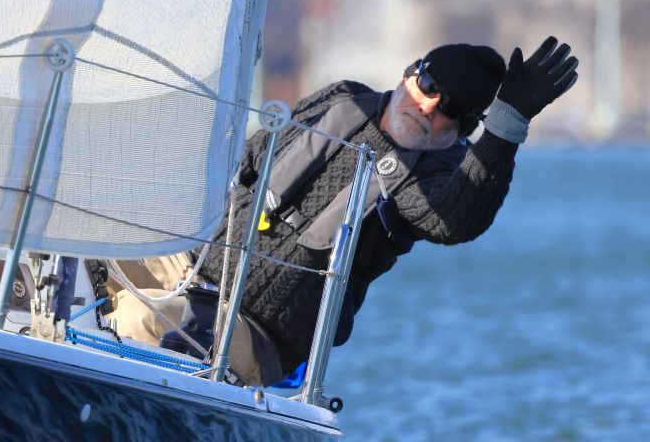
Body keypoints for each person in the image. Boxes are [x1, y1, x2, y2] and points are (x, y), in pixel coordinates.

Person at [109, 36, 578, 387]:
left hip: (254, 329)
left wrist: (507, 124)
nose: (427, 105)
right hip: (194, 265)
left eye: (448, 107)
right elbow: (248, 161)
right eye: (429, 84)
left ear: (461, 129)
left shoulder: (436, 172)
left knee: (137, 320)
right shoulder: (341, 100)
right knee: (74, 243)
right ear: (410, 73)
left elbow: (456, 218)